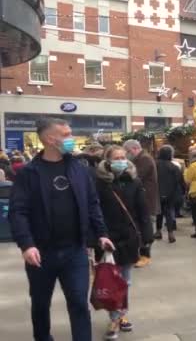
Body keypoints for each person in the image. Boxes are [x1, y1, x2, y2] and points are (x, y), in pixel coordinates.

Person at [9, 118, 114, 341]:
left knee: (78, 302)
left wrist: (102, 233)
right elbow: (18, 211)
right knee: (40, 302)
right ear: (49, 138)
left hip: (75, 251)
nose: (71, 138)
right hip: (41, 254)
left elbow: (92, 203)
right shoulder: (29, 173)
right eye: (66, 134)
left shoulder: (79, 168)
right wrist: (26, 244)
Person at [96, 145, 153, 340]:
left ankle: (121, 315)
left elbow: (142, 211)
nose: (121, 160)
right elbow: (95, 211)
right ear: (108, 161)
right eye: (116, 157)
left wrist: (147, 236)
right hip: (108, 238)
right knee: (111, 280)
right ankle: (114, 318)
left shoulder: (134, 181)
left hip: (129, 237)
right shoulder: (100, 183)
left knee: (125, 281)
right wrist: (97, 236)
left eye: (123, 157)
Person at [123, 139, 159, 268]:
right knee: (141, 227)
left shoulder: (144, 159)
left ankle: (145, 256)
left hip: (147, 200)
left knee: (146, 229)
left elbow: (136, 176)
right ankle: (141, 254)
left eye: (127, 152)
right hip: (143, 199)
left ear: (134, 149)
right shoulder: (141, 158)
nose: (126, 155)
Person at [154, 145, 182, 243]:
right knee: (169, 213)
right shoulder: (174, 167)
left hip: (157, 193)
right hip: (171, 194)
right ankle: (171, 234)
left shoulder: (155, 165)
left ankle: (158, 231)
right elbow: (180, 181)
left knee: (159, 213)